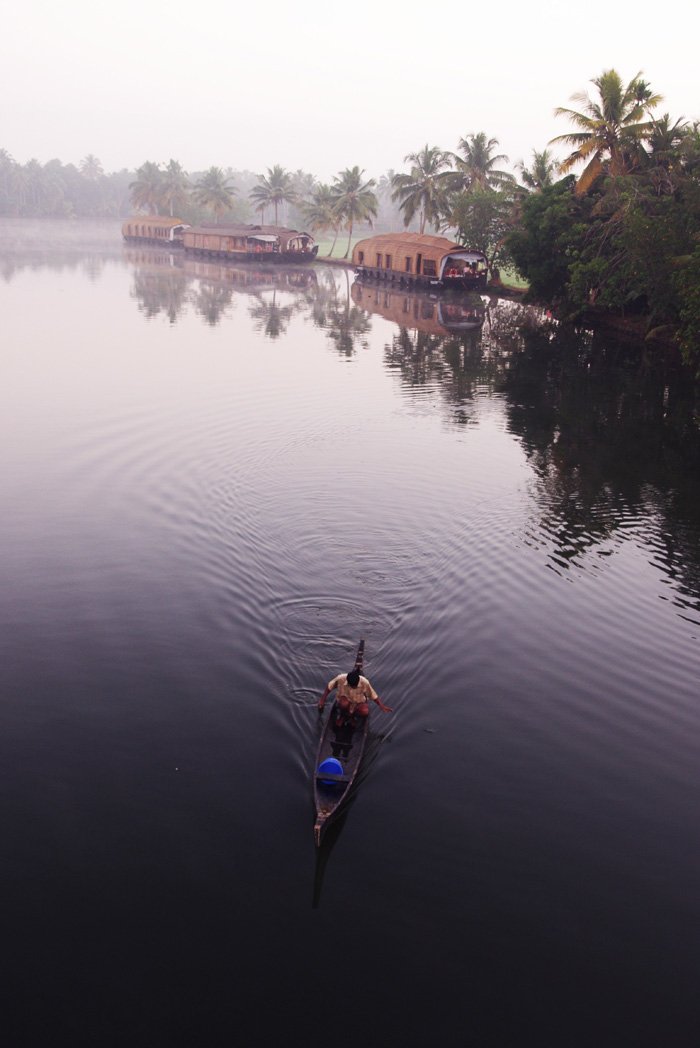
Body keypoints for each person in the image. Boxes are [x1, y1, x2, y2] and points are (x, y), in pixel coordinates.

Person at [318, 667, 392, 726]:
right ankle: (343, 716)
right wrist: (322, 700)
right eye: (352, 686)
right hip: (344, 700)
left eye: (355, 686)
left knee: (365, 711)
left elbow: (373, 695)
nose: (354, 687)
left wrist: (381, 706)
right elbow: (329, 687)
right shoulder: (340, 678)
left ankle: (352, 717)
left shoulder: (365, 682)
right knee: (344, 704)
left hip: (358, 703)